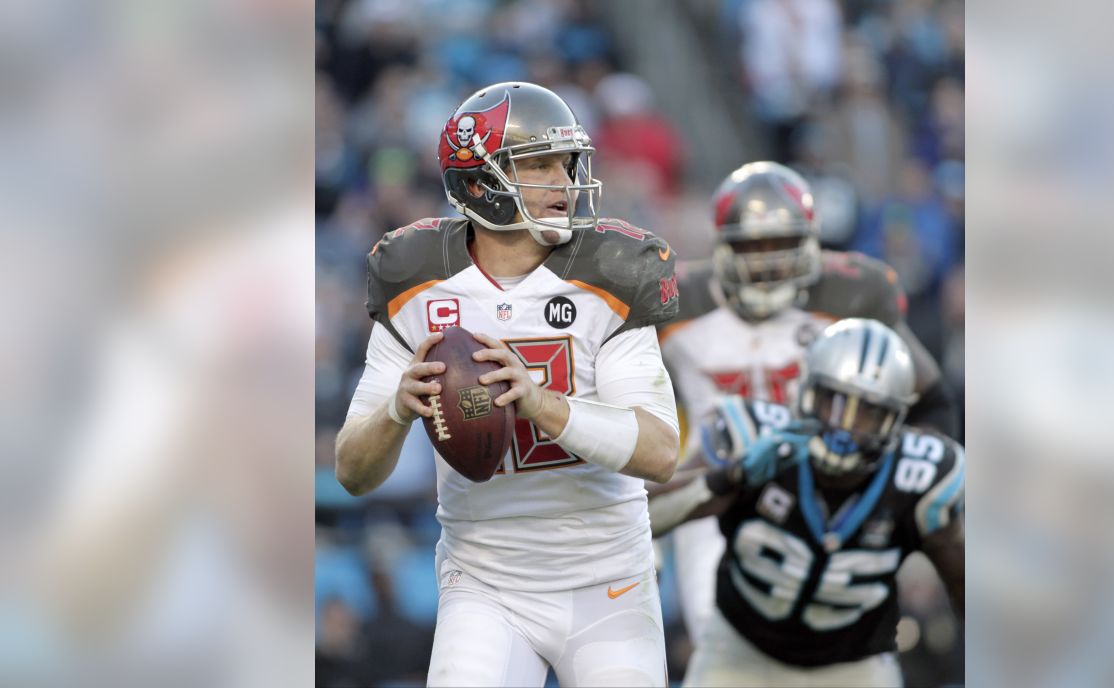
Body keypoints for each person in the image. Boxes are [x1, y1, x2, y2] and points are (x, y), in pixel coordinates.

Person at [334, 81, 680, 687]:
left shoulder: (612, 272)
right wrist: (396, 410)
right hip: (484, 581)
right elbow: (352, 472)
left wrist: (540, 402)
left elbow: (659, 451)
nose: (565, 184)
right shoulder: (413, 277)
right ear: (478, 184)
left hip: (609, 579)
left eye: (566, 164)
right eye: (539, 165)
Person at [658, 160, 959, 644]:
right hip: (716, 488)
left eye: (781, 244)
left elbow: (930, 399)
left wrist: (903, 497)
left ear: (810, 241)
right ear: (723, 245)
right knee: (721, 634)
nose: (768, 262)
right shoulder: (671, 301)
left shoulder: (850, 294)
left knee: (834, 639)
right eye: (753, 245)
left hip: (823, 490)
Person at [649, 318, 965, 687]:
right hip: (739, 650)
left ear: (895, 421)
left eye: (866, 412)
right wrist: (731, 476)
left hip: (854, 666)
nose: (843, 426)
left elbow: (963, 583)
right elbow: (647, 517)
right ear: (807, 390)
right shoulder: (754, 438)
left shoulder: (917, 478)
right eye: (834, 401)